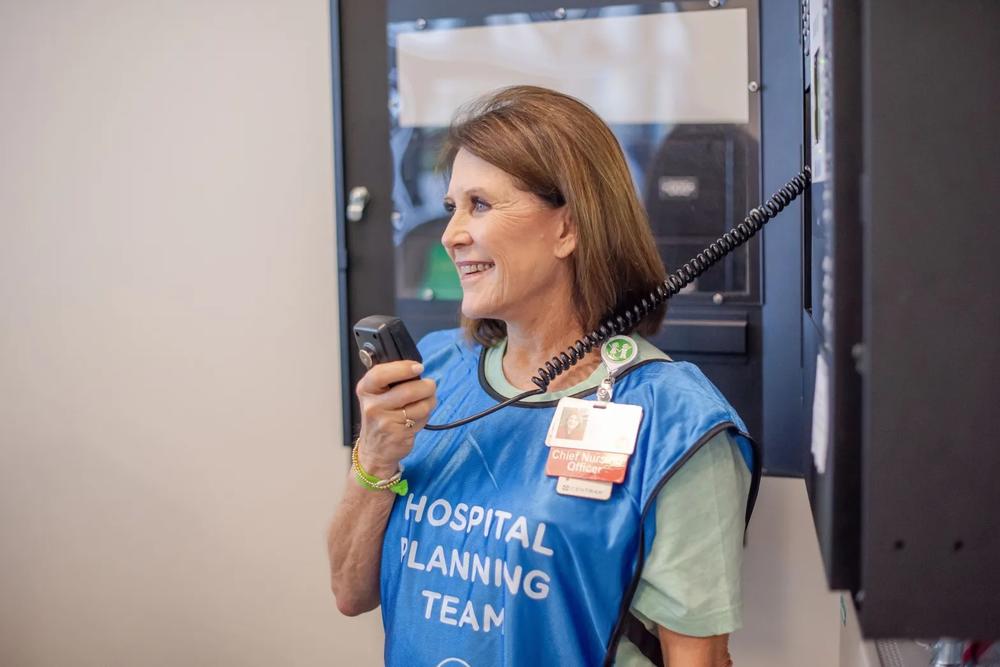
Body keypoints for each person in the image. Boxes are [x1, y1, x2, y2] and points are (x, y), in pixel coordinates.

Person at [327, 86, 758, 667]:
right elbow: (351, 594)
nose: (452, 233)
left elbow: (698, 660)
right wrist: (375, 454)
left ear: (568, 228)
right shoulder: (432, 370)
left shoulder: (676, 421)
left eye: (479, 204)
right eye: (452, 206)